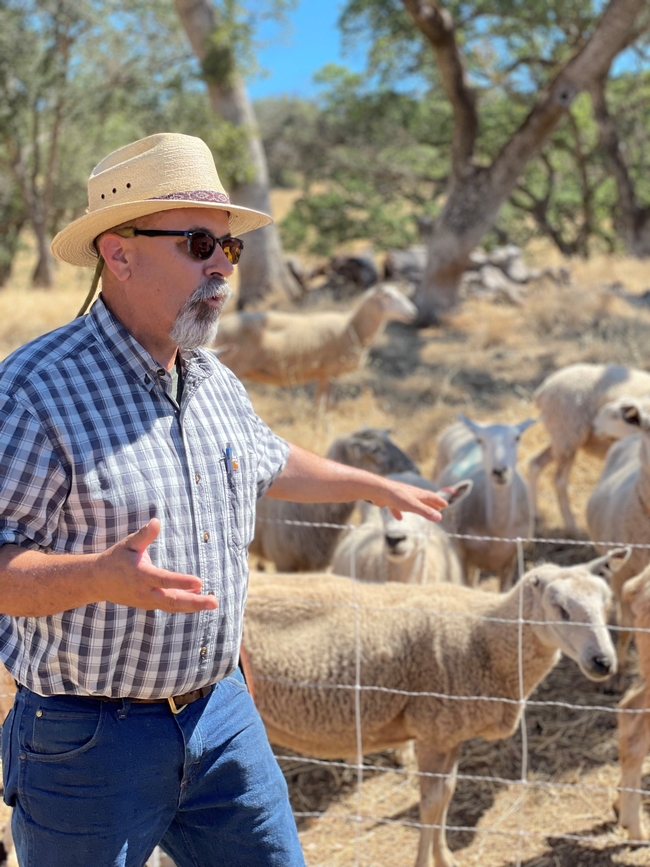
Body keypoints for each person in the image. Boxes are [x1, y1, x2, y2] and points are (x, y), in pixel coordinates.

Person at [0, 133, 447, 867]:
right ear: (120, 253)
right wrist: (97, 577)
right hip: (87, 743)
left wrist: (373, 484)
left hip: (222, 716)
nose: (221, 265)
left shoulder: (210, 378)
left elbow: (269, 460)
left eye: (229, 248)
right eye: (200, 242)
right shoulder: (32, 392)